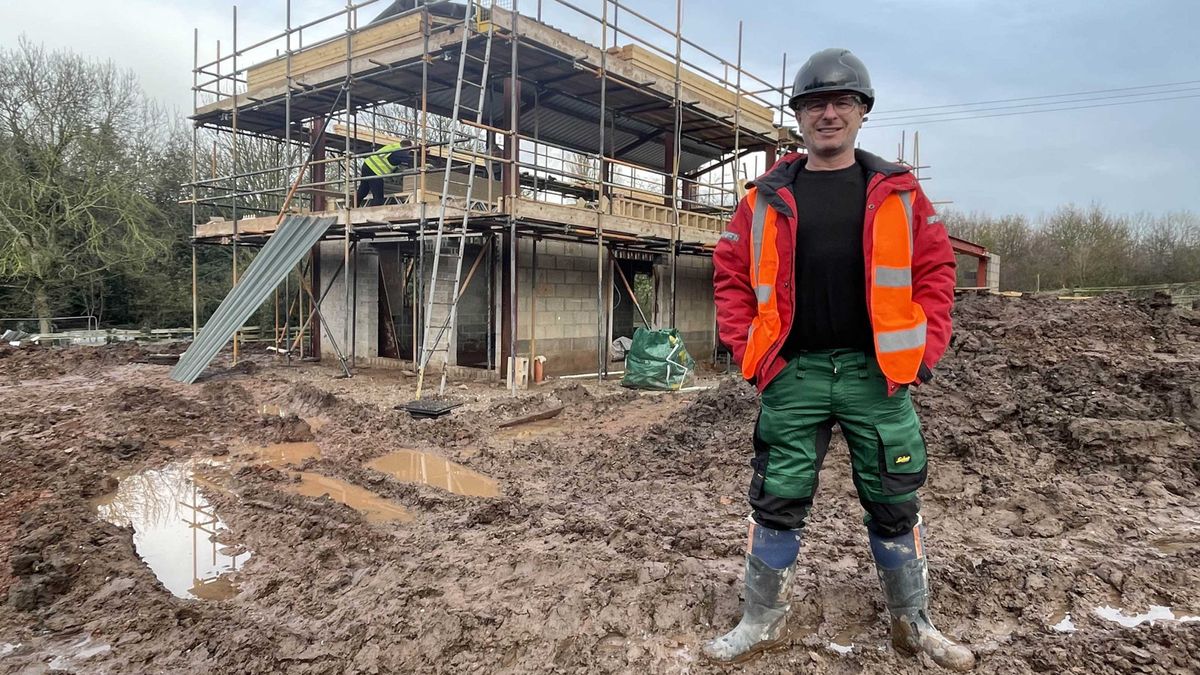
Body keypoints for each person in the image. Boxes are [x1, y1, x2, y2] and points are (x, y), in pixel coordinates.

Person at [706, 48, 974, 671]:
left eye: (842, 102)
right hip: (792, 375)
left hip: (874, 376)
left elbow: (936, 273)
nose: (829, 114)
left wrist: (922, 352)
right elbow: (730, 275)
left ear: (861, 112)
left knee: (893, 496)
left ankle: (914, 624)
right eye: (815, 104)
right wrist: (751, 354)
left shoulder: (900, 194)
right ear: (799, 117)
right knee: (777, 496)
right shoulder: (763, 199)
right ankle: (760, 618)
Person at [356, 139, 413, 207]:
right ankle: (374, 214)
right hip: (375, 171)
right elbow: (411, 160)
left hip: (367, 165)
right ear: (408, 148)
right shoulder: (400, 152)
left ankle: (352, 206)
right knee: (378, 198)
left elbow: (392, 161)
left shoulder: (394, 146)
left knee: (363, 190)